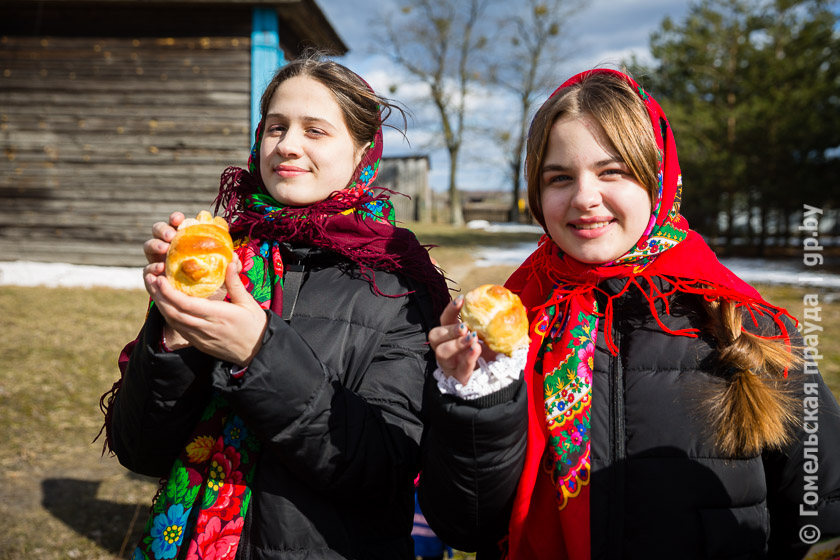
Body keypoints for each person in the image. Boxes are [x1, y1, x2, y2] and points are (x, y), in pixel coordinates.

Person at [418, 68, 840, 559]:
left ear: (657, 179)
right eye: (559, 177)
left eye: (612, 171)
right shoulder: (510, 329)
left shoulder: (748, 326)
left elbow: (824, 518)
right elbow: (465, 526)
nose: (584, 197)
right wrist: (480, 400)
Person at [99, 51, 450, 560]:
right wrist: (174, 330)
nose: (287, 146)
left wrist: (258, 354)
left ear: (361, 152)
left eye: (315, 130)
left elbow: (386, 468)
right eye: (276, 127)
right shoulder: (222, 256)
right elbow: (141, 449)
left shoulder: (398, 284)